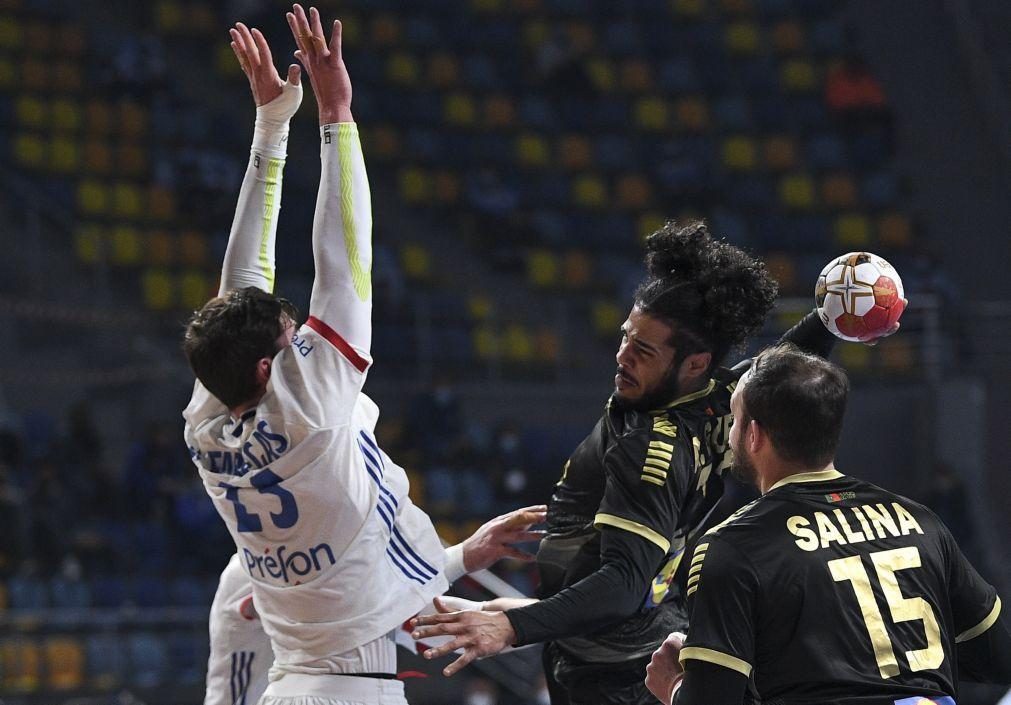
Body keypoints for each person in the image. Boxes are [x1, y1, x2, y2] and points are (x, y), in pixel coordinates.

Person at [185, 9, 543, 705]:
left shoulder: (207, 425)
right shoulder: (311, 411)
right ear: (267, 369)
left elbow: (238, 293)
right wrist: (335, 114)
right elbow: (344, 264)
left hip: (304, 683)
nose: (303, 345)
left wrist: (270, 126)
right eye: (291, 341)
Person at [411, 222, 871, 704]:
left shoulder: (652, 449)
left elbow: (621, 586)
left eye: (643, 351)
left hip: (614, 676)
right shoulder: (717, 401)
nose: (622, 356)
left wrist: (511, 625)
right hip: (634, 637)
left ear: (695, 363)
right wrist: (831, 317)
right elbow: (780, 365)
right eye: (626, 337)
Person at [644, 344, 1011, 705]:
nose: (729, 433)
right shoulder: (921, 521)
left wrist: (674, 686)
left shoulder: (732, 545)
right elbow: (998, 658)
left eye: (735, 420)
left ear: (754, 434)